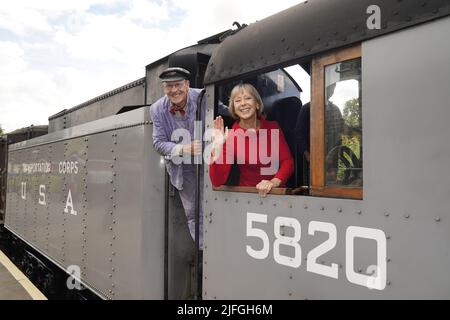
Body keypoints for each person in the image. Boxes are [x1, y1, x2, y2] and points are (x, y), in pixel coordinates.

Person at [150, 67, 204, 249]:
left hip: (209, 164)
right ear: (164, 88)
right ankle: (204, 252)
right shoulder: (157, 109)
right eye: (169, 86)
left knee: (214, 208)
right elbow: (158, 143)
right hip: (182, 168)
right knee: (193, 213)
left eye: (178, 84)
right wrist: (183, 149)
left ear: (187, 84)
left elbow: (224, 112)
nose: (174, 90)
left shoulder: (204, 97)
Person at [209, 83, 294, 197]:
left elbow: (287, 161)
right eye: (238, 100)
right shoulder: (230, 137)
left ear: (257, 104)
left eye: (248, 98)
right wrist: (217, 147)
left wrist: (273, 182)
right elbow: (217, 181)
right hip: (248, 197)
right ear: (233, 108)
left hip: (276, 194)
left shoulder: (273, 127)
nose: (243, 103)